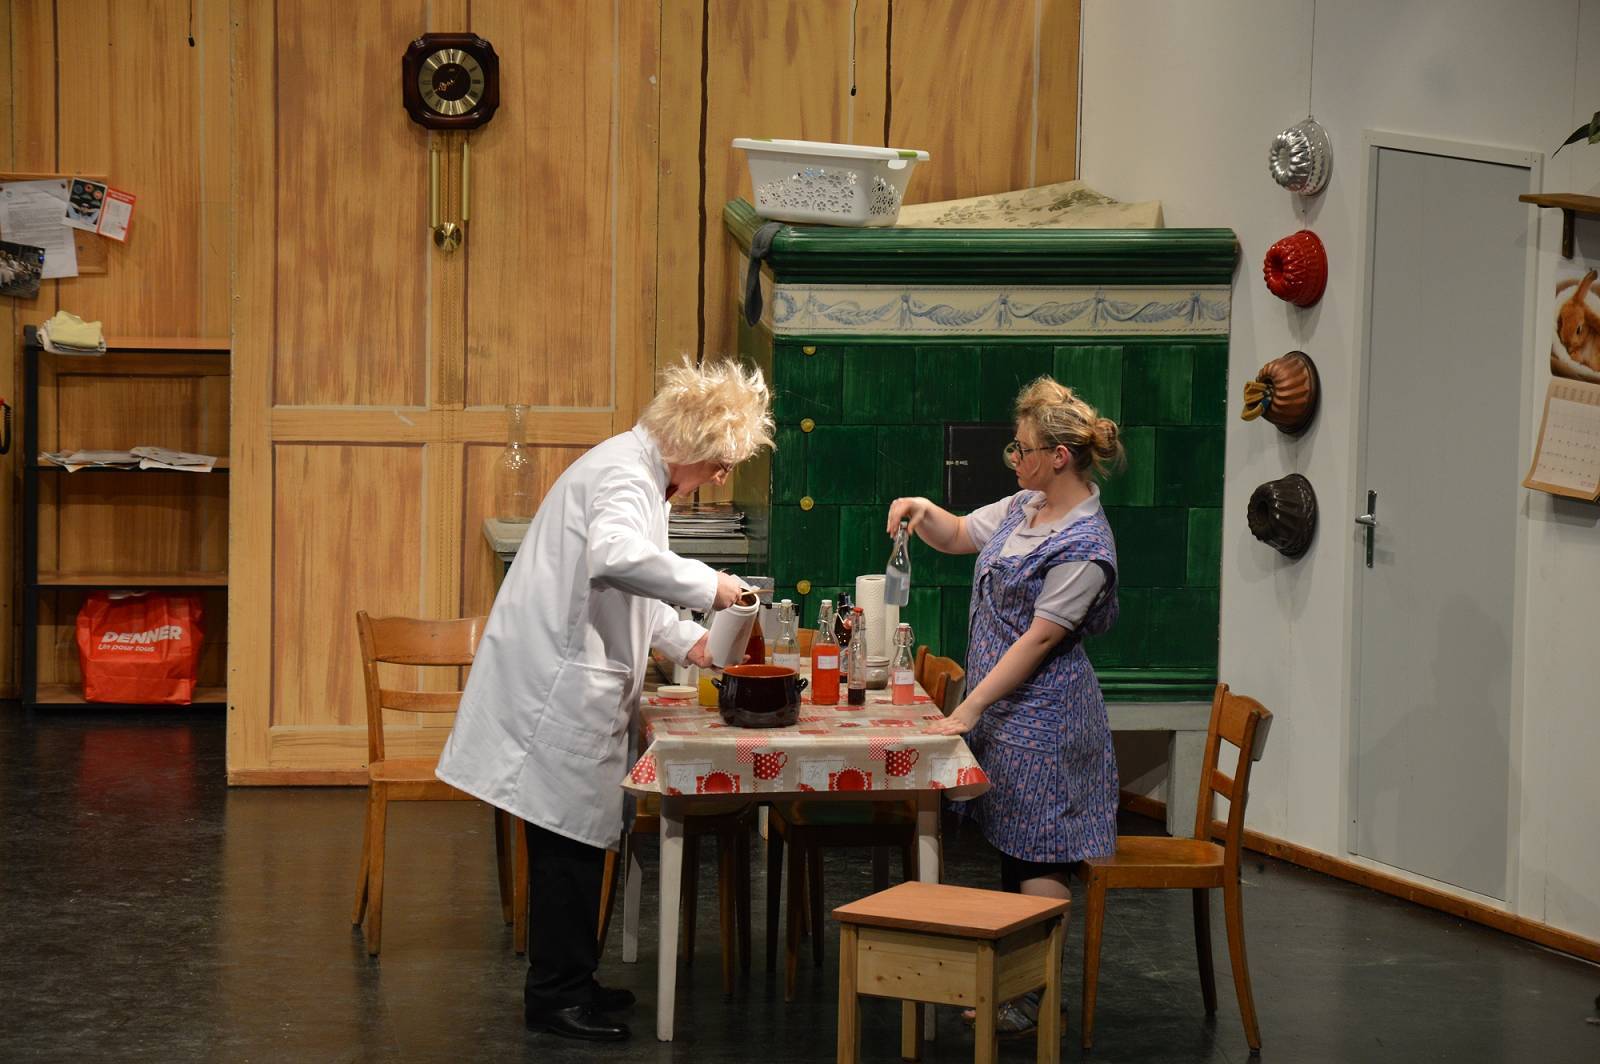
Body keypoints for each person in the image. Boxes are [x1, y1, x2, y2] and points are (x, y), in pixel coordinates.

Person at [436, 357, 773, 1043]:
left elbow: (634, 594)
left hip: (570, 681)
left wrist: (692, 643)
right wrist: (711, 587)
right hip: (556, 688)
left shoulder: (643, 478)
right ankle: (554, 997)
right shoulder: (625, 474)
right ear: (692, 442)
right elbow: (615, 557)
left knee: (580, 843)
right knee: (565, 846)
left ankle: (574, 980)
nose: (719, 479)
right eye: (719, 464)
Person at [886, 376, 1123, 1035]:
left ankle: (1038, 998)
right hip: (1009, 717)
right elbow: (961, 532)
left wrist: (968, 708)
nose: (1013, 458)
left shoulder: (1086, 547)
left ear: (1059, 456)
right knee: (1015, 846)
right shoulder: (1026, 508)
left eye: (1022, 449)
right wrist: (922, 510)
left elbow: (1039, 639)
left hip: (1049, 723)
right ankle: (1015, 985)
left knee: (1041, 854)